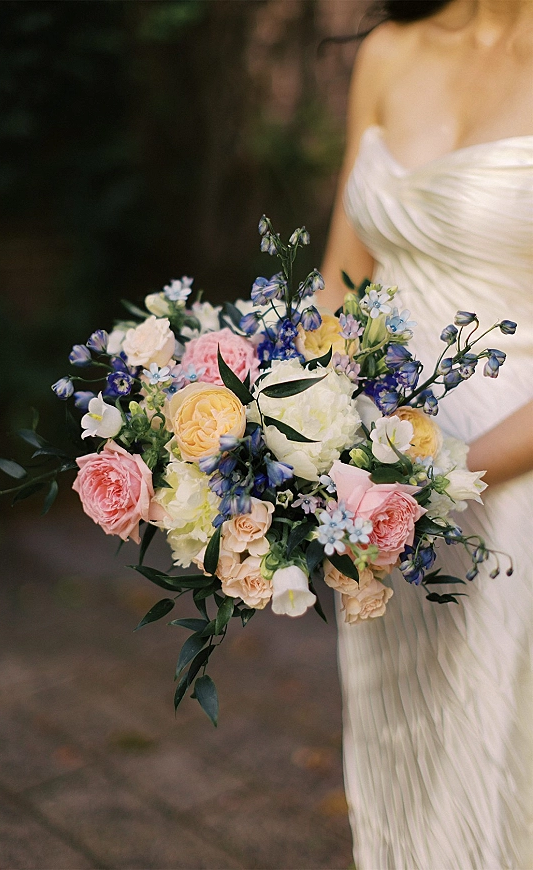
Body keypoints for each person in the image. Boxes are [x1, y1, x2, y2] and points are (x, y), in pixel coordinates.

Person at [319, 1, 533, 867]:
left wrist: (435, 480)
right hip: (377, 498)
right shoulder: (388, 49)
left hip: (514, 490)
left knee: (499, 759)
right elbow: (342, 283)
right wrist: (296, 444)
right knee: (400, 752)